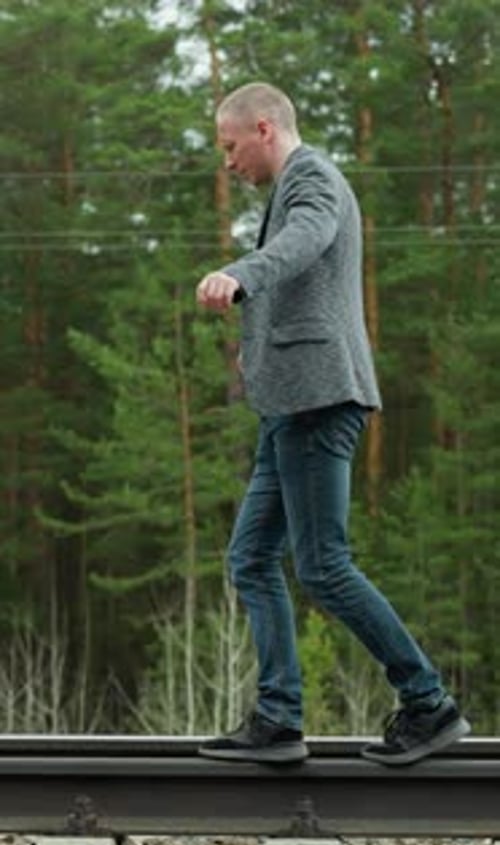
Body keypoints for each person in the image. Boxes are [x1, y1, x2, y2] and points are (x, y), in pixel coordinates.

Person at [195, 82, 470, 765]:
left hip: (319, 399)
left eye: (230, 147)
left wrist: (241, 272)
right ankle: (279, 718)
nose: (228, 163)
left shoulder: (313, 178)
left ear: (263, 128)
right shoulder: (289, 186)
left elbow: (307, 239)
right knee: (251, 558)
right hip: (288, 407)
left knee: (322, 565)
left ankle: (428, 704)